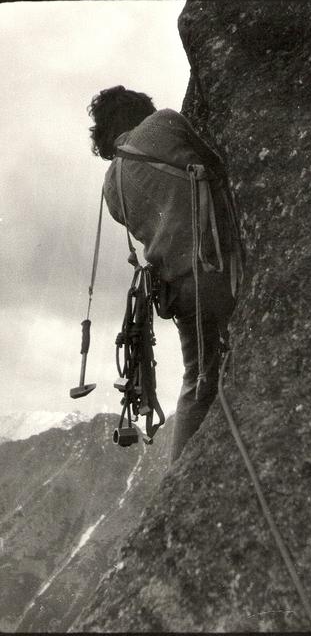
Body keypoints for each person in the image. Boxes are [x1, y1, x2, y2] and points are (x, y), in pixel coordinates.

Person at [88, 85, 242, 463]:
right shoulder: (165, 123)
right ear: (141, 110)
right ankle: (181, 479)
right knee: (211, 379)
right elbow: (219, 158)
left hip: (177, 290)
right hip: (216, 269)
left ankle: (181, 482)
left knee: (198, 380)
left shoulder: (111, 188)